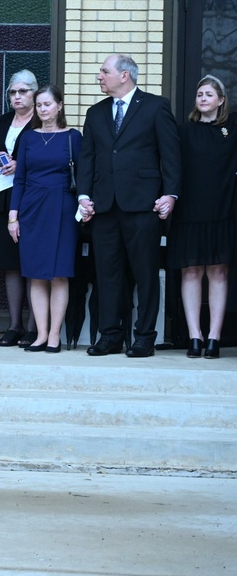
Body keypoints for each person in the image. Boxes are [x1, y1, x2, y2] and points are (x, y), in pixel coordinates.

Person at [78, 54, 181, 358]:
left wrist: (171, 194)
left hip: (143, 205)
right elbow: (87, 159)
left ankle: (144, 337)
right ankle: (110, 336)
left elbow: (171, 155)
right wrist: (83, 196)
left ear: (124, 75)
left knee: (145, 273)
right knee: (107, 274)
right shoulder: (95, 113)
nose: (99, 77)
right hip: (104, 207)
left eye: (104, 72)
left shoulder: (155, 106)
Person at [7, 84, 81, 353]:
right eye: (39, 105)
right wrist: (12, 217)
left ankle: (54, 335)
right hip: (31, 208)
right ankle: (39, 334)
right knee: (36, 275)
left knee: (59, 274)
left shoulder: (73, 137)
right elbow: (20, 178)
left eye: (48, 104)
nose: (43, 109)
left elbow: (82, 177)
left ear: (60, 106)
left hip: (62, 206)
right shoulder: (28, 138)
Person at [167, 75, 237, 359]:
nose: (203, 98)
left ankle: (214, 337)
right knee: (191, 270)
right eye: (200, 94)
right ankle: (194, 335)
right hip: (190, 211)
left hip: (223, 210)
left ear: (221, 100)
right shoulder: (184, 131)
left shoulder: (232, 128)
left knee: (218, 272)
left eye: (209, 94)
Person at [0, 70, 39, 347]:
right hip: (4, 201)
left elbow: (52, 157)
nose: (17, 97)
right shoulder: (4, 121)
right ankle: (14, 324)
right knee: (10, 264)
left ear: (35, 93)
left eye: (23, 92)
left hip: (33, 201)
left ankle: (34, 327)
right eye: (12, 92)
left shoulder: (42, 121)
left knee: (32, 262)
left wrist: (21, 165)